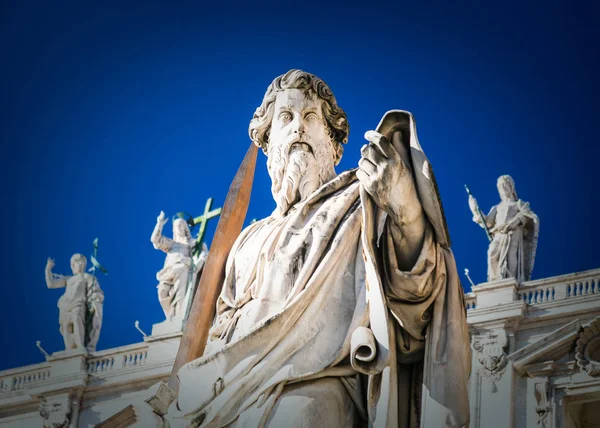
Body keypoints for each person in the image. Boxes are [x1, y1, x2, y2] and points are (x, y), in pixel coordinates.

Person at [169, 70, 471, 428]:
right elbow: (223, 331)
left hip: (314, 387)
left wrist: (403, 207)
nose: (298, 127)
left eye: (310, 117)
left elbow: (417, 289)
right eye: (286, 117)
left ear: (334, 144)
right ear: (268, 142)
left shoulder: (360, 204)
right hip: (229, 395)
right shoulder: (247, 241)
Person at [469, 175, 539, 282]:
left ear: (511, 187)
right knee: (492, 253)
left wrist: (517, 221)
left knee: (511, 254)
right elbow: (487, 222)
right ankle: (495, 279)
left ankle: (510, 281)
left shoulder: (519, 204)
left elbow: (529, 216)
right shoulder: (496, 207)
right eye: (500, 187)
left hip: (514, 232)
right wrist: (475, 210)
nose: (503, 189)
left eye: (505, 185)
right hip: (499, 233)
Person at [151, 211, 205, 320]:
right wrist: (159, 223)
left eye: (180, 225)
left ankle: (179, 317)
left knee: (180, 295)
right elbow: (155, 240)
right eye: (176, 226)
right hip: (168, 272)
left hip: (182, 270)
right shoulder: (171, 244)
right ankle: (170, 318)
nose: (178, 227)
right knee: (162, 292)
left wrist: (196, 263)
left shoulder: (191, 243)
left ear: (185, 227)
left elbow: (204, 255)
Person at [45, 254, 104, 351]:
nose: (72, 266)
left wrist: (94, 301)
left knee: (77, 319)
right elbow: (51, 284)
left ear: (82, 264)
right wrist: (48, 269)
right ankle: (69, 349)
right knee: (66, 325)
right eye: (72, 264)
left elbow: (95, 292)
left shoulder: (88, 277)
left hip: (78, 302)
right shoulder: (68, 279)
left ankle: (80, 346)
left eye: (75, 263)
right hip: (65, 304)